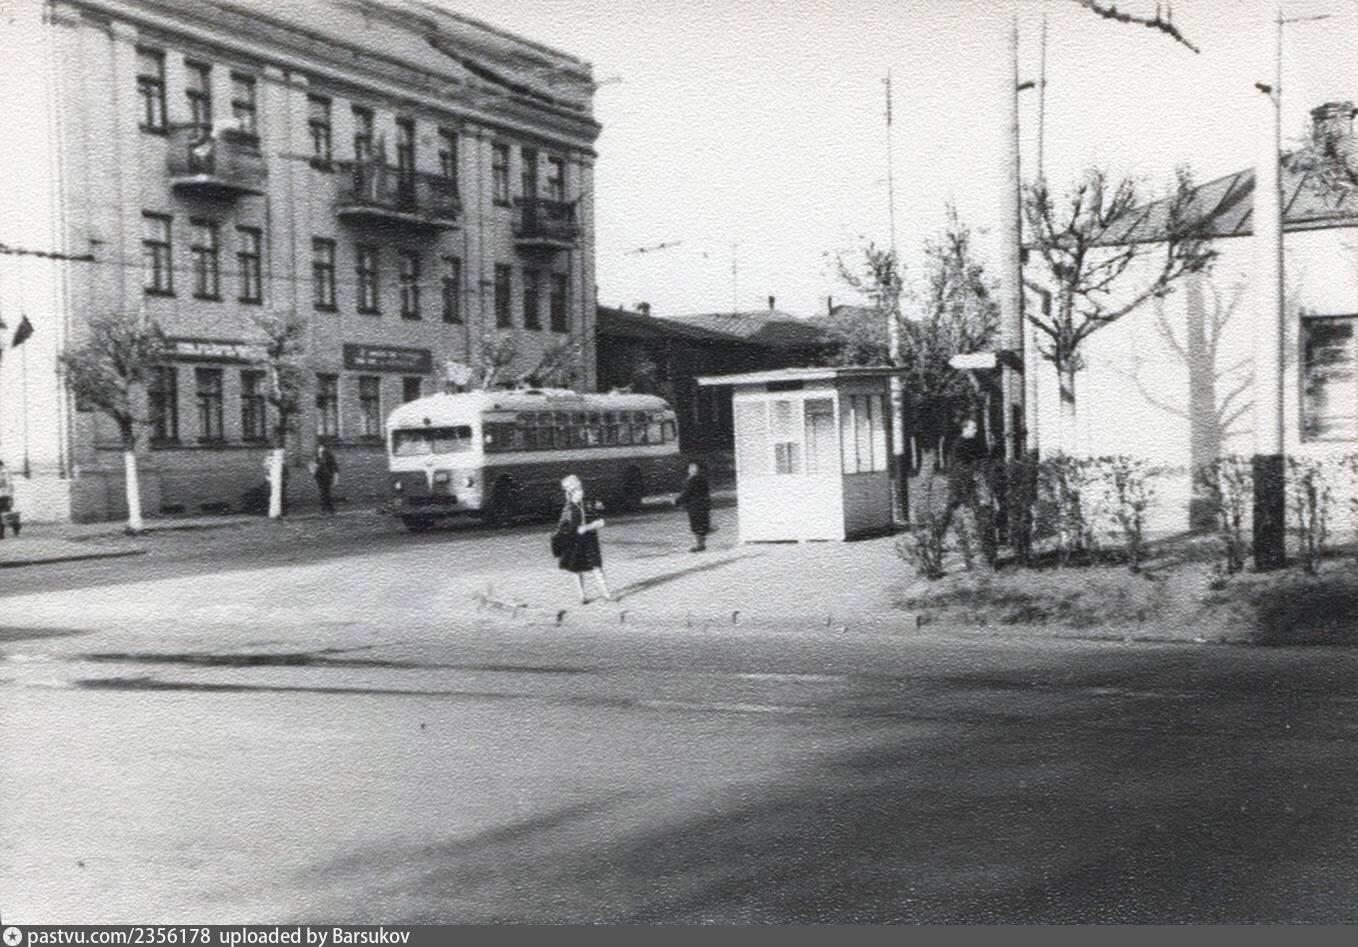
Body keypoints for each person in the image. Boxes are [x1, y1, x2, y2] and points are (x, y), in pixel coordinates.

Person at [943, 417, 998, 568]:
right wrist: (974, 472)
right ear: (965, 429)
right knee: (951, 512)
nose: (976, 430)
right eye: (973, 428)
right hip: (960, 485)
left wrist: (989, 452)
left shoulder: (973, 442)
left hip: (970, 485)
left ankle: (982, 552)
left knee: (975, 513)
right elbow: (960, 467)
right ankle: (938, 540)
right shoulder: (958, 445)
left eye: (976, 428)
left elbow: (982, 458)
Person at [553, 474, 613, 604]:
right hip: (575, 543)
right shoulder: (568, 510)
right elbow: (562, 528)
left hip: (590, 541)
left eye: (581, 488)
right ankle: (582, 596)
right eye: (578, 489)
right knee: (576, 569)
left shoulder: (589, 504)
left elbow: (602, 522)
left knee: (596, 567)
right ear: (571, 492)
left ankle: (606, 593)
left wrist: (588, 527)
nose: (581, 491)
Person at [673, 460, 712, 552]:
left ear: (695, 470)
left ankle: (700, 545)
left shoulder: (692, 480)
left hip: (695, 505)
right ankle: (702, 544)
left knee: (696, 525)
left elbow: (687, 493)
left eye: (691, 468)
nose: (689, 470)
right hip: (703, 504)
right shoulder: (703, 479)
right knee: (701, 524)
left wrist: (677, 501)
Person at [311, 444, 340, 514]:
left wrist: (335, 475)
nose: (319, 448)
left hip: (326, 475)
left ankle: (327, 508)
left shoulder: (328, 455)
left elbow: (334, 465)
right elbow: (315, 464)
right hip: (320, 476)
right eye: (319, 447)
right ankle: (327, 508)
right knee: (323, 492)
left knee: (326, 492)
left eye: (321, 447)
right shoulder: (317, 455)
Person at [0, 460, 17, 539]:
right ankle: (15, 525)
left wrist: (10, 497)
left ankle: (15, 525)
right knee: (4, 515)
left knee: (5, 515)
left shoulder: (5, 473)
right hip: (4, 496)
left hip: (4, 496)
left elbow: (10, 485)